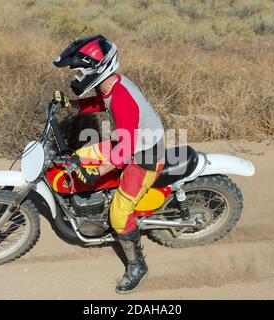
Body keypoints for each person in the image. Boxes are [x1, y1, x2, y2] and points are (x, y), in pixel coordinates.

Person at [52, 34, 165, 294]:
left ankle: (138, 266)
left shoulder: (123, 98)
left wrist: (98, 172)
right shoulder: (110, 86)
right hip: (129, 144)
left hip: (143, 158)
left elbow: (125, 151)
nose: (77, 76)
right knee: (82, 156)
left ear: (97, 69)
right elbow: (98, 104)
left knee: (119, 214)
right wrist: (67, 103)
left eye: (80, 71)